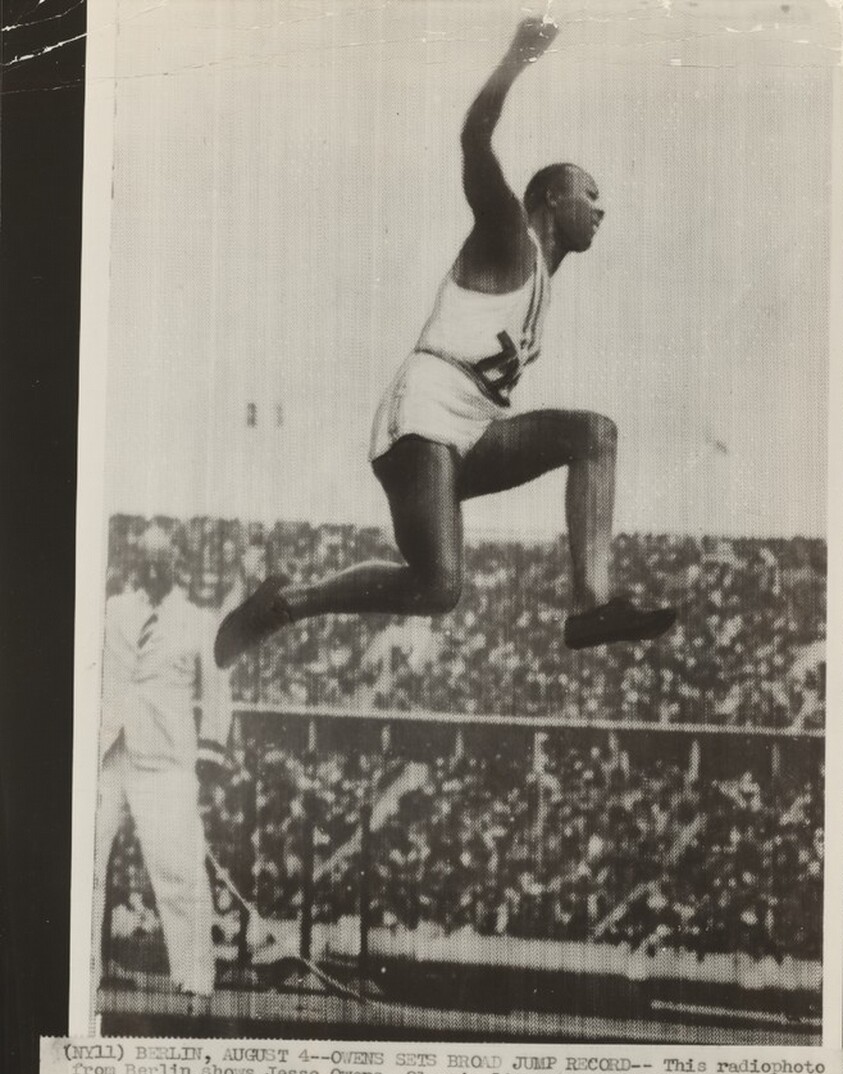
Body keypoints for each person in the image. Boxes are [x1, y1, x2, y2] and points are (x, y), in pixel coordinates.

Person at [215, 15, 675, 671]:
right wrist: (516, 57)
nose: (601, 209)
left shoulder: (543, 279)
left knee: (591, 436)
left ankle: (590, 605)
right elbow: (473, 138)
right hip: (425, 412)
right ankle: (288, 601)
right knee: (441, 585)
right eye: (589, 194)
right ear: (549, 196)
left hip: (475, 427)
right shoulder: (505, 233)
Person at [92, 523, 232, 1001]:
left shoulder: (198, 621)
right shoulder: (109, 611)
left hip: (166, 760)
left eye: (162, 560)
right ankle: (81, 971)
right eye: (145, 560)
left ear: (178, 563)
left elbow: (217, 695)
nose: (152, 569)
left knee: (180, 869)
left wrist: (210, 754)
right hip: (106, 754)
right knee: (85, 865)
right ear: (136, 563)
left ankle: (195, 978)